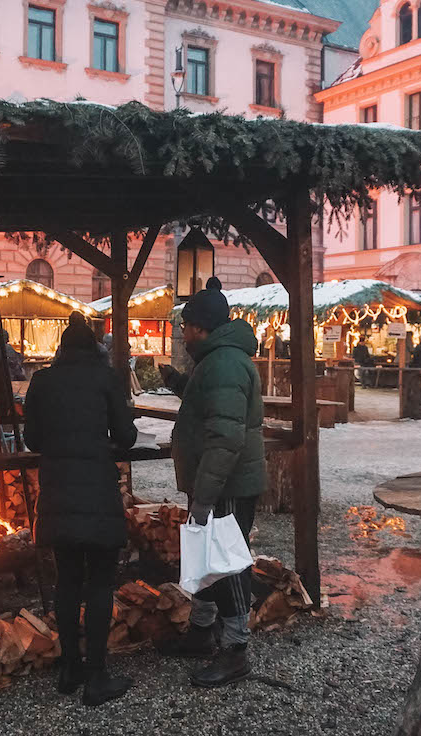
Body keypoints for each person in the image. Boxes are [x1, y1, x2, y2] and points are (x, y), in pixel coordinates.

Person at [23, 320, 137, 706]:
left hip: (57, 492)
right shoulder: (105, 378)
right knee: (101, 583)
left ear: (60, 348)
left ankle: (70, 667)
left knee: (68, 582)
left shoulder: (42, 381)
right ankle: (97, 675)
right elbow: (127, 436)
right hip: (98, 493)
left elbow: (32, 439)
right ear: (95, 348)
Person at [160, 277, 266, 688]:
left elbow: (225, 436)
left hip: (227, 484)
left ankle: (235, 650)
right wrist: (177, 383)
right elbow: (212, 402)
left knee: (226, 564)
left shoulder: (223, 362)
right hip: (217, 481)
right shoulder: (217, 359)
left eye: (185, 325)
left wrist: (205, 495)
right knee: (208, 557)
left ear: (200, 326)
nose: (182, 333)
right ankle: (203, 632)